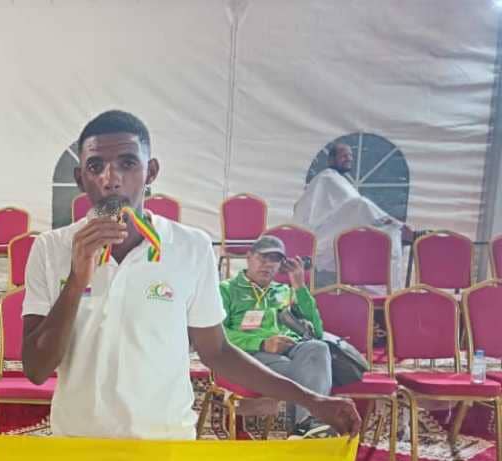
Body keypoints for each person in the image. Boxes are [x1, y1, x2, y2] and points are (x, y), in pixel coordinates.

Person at [21, 109, 360, 441]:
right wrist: (78, 278)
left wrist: (311, 399)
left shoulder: (191, 246)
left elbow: (217, 352)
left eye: (127, 163)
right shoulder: (51, 249)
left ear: (151, 171)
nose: (111, 178)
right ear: (81, 178)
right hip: (79, 440)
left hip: (165, 440)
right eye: (96, 166)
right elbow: (36, 370)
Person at [220, 235, 334, 438]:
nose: (268, 265)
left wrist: (299, 286)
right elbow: (217, 334)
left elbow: (316, 330)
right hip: (249, 354)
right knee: (301, 373)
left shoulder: (284, 291)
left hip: (292, 348)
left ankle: (306, 425)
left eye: (275, 259)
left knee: (319, 348)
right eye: (263, 258)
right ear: (249, 257)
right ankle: (307, 427)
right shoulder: (227, 289)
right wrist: (262, 343)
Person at [293, 142, 412, 291]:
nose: (348, 158)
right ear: (331, 159)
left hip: (332, 232)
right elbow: (356, 206)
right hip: (322, 233)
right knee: (383, 227)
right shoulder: (328, 178)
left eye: (350, 155)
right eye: (343, 155)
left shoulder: (339, 179)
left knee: (379, 238)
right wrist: (391, 222)